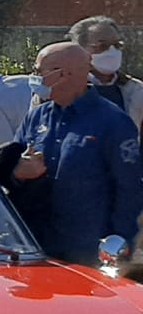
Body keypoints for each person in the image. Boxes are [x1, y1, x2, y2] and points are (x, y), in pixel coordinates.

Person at [10, 43, 143, 265]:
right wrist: (18, 172)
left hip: (86, 249)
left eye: (38, 71)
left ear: (63, 74)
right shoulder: (37, 117)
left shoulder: (113, 122)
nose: (34, 77)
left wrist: (119, 244)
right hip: (36, 243)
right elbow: (8, 167)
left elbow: (129, 189)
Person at [70, 16, 143, 133]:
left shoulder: (135, 89)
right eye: (102, 46)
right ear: (80, 49)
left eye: (117, 45)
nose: (112, 51)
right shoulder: (61, 88)